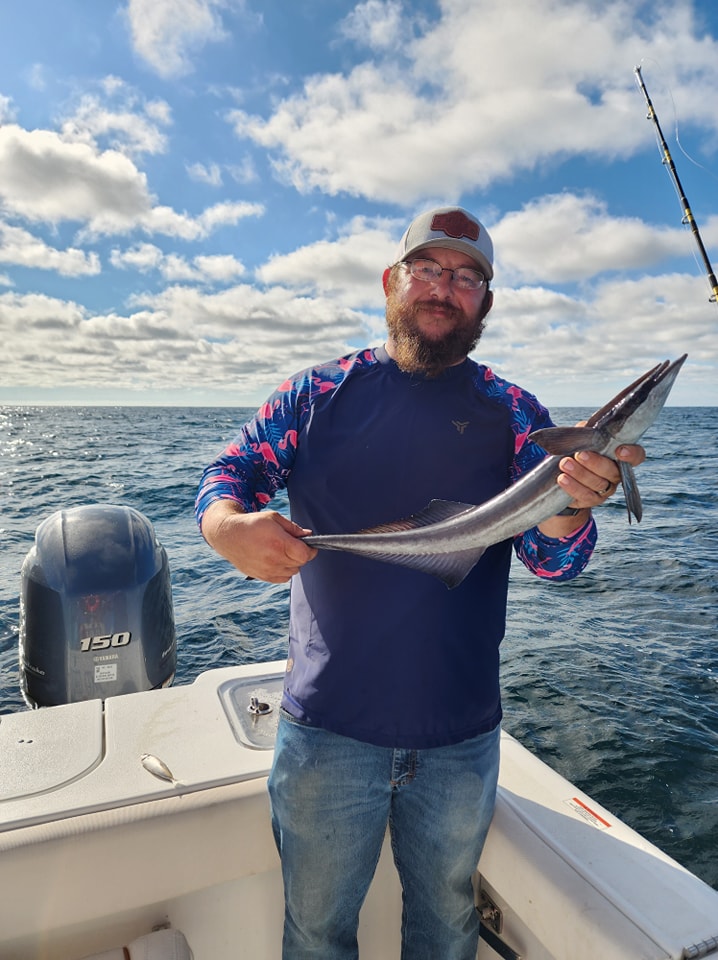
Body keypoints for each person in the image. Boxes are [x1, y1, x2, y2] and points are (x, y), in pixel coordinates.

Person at [195, 206, 645, 960]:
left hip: (460, 739)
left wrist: (572, 508)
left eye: (467, 278)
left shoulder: (516, 414)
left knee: (445, 931)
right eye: (428, 269)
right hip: (326, 731)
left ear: (485, 305)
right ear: (391, 282)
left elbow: (555, 561)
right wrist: (227, 530)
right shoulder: (315, 395)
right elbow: (226, 474)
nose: (445, 288)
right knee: (315, 935)